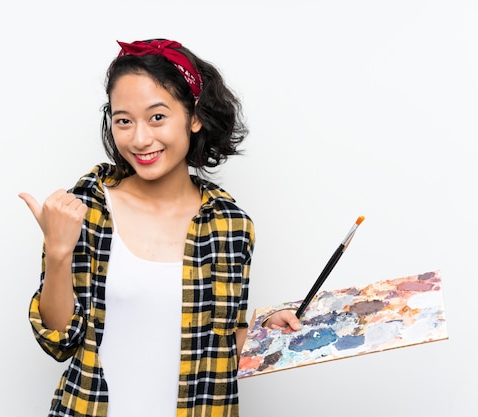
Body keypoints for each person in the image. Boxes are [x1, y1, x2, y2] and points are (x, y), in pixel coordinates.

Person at [19, 38, 302, 417]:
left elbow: (221, 352)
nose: (140, 139)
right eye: (124, 121)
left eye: (157, 117)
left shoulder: (230, 226)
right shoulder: (85, 208)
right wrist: (57, 252)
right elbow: (59, 342)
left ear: (194, 117)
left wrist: (265, 331)